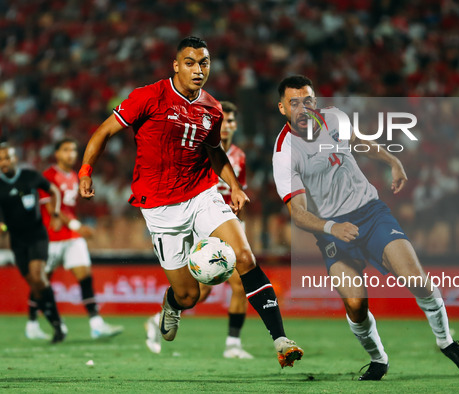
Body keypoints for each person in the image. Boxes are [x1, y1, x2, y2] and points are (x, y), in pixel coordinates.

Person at [79, 37, 303, 367]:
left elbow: (214, 152)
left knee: (244, 257)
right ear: (176, 65)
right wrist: (86, 171)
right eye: (190, 63)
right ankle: (172, 304)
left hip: (202, 194)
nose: (198, 70)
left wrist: (235, 187)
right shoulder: (148, 97)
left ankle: (281, 340)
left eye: (204, 63)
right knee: (189, 295)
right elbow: (103, 132)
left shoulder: (212, 108)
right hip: (158, 207)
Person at [272, 75, 459, 380]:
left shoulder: (334, 119)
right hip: (333, 233)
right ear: (282, 108)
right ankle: (378, 359)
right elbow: (298, 214)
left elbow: (359, 142)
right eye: (295, 103)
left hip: (370, 214)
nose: (303, 108)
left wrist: (392, 160)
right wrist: (332, 227)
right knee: (355, 303)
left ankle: (446, 341)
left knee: (416, 279)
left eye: (308, 100)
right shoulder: (284, 153)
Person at [144, 101, 253, 358]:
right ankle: (230, 343)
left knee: (227, 286)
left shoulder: (238, 157)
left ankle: (232, 344)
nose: (228, 126)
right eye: (224, 120)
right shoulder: (197, 149)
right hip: (198, 221)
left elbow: (238, 192)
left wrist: (242, 226)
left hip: (224, 223)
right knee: (198, 292)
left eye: (232, 121)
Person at [25, 138, 124, 340]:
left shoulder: (72, 176)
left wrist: (74, 226)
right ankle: (32, 324)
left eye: (73, 150)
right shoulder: (48, 176)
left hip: (71, 236)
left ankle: (96, 324)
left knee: (85, 277)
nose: (71, 154)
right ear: (57, 154)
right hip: (50, 238)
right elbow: (52, 208)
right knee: (42, 282)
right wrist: (77, 225)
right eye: (66, 150)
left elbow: (67, 210)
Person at [0, 143, 66, 343]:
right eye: (0, 159)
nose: (3, 162)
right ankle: (56, 323)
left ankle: (57, 326)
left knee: (38, 276)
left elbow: (54, 190)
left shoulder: (30, 176)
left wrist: (55, 213)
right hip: (17, 241)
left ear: (15, 158)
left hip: (37, 236)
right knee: (35, 285)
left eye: (6, 158)